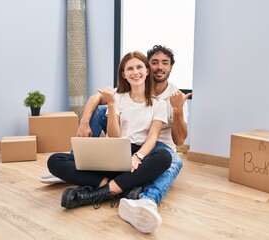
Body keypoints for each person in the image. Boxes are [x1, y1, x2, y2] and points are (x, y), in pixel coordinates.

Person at [75, 45, 192, 233]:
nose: (159, 67)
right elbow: (95, 98)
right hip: (128, 138)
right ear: (147, 67)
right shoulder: (135, 82)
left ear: (171, 67)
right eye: (154, 62)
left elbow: (178, 141)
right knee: (100, 109)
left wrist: (177, 110)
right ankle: (76, 159)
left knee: (174, 160)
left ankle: (147, 200)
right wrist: (84, 122)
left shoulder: (173, 95)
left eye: (165, 63)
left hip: (158, 146)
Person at [46, 51, 172, 221]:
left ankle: (93, 195)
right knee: (54, 161)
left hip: (138, 156)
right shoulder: (118, 97)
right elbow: (114, 136)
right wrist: (111, 105)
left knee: (164, 156)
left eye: (139, 67)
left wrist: (138, 156)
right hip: (115, 150)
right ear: (124, 74)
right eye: (130, 69)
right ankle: (124, 188)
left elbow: (153, 137)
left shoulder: (159, 104)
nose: (135, 72)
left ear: (147, 70)